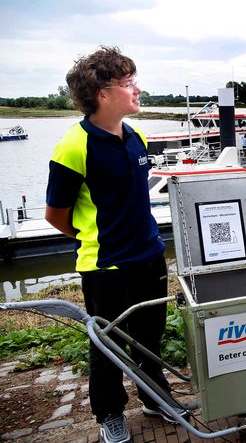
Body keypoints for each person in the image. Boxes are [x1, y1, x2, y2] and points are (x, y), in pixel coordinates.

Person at [45, 46, 188, 443]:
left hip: (149, 256)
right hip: (105, 266)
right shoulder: (74, 147)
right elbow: (55, 215)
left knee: (150, 338)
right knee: (107, 348)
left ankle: (154, 397)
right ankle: (109, 414)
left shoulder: (137, 135)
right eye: (128, 84)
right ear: (103, 94)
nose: (137, 90)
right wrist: (96, 238)